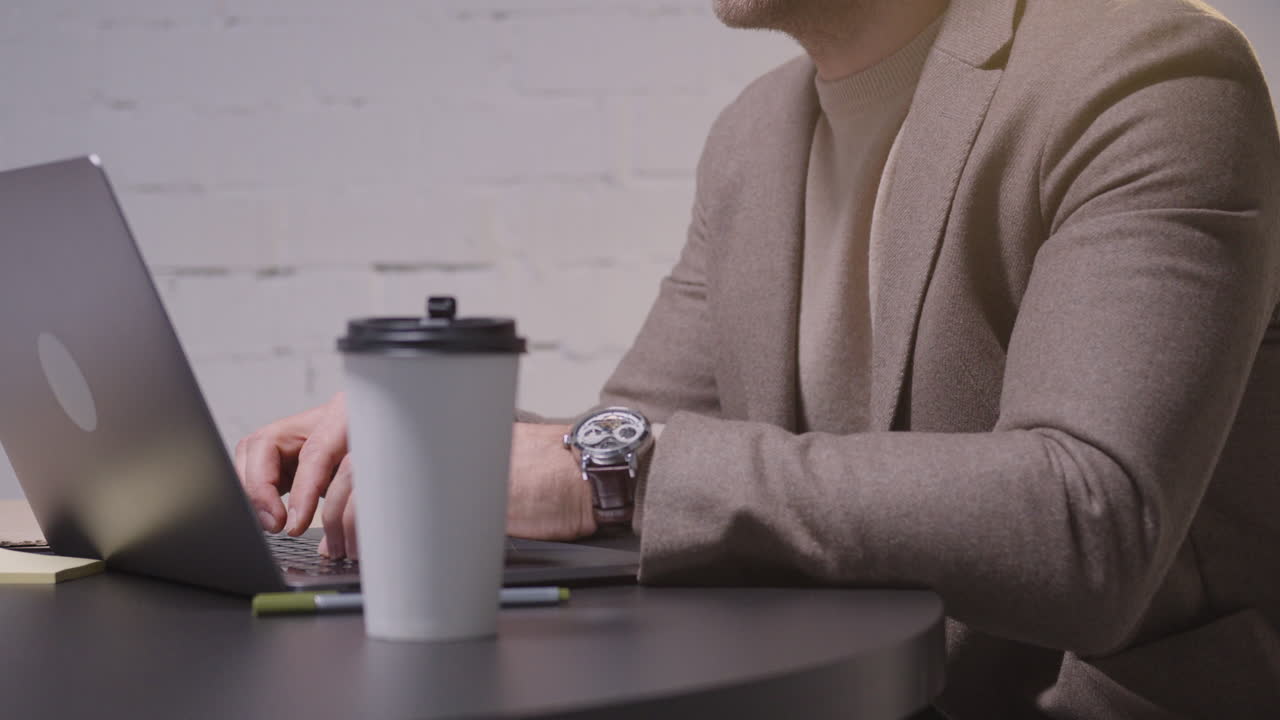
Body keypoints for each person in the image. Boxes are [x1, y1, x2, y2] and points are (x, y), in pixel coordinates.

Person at [236, 0, 1280, 716]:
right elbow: (628, 460)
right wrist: (430, 438)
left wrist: (600, 472)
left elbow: (1087, 523)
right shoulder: (754, 136)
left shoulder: (1152, 74)